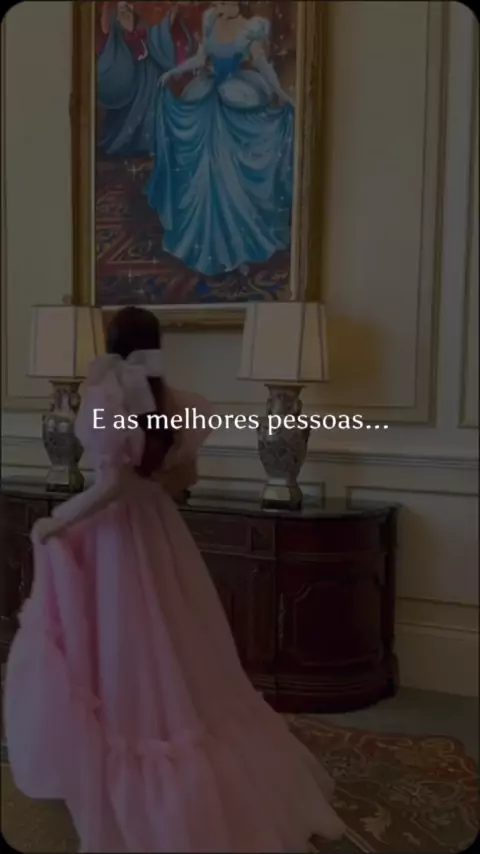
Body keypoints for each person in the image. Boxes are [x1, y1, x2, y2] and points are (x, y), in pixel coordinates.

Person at [4, 307, 345, 853]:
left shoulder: (107, 398)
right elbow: (184, 478)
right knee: (175, 645)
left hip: (114, 539)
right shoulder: (177, 402)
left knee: (123, 650)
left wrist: (58, 520)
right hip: (161, 534)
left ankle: (135, 787)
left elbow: (111, 486)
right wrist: (150, 482)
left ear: (112, 343)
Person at [146, 0, 294, 277]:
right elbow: (200, 59)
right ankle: (204, 240)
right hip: (207, 94)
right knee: (204, 170)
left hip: (236, 96)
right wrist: (173, 72)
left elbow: (262, 65)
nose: (218, 3)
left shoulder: (251, 27)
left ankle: (240, 247)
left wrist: (282, 94)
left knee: (229, 171)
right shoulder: (211, 19)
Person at [97, 2, 198, 155]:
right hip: (130, 82)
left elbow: (159, 39)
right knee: (125, 121)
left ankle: (155, 144)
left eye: (128, 11)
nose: (127, 15)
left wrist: (171, 16)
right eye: (123, 12)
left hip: (151, 81)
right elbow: (106, 32)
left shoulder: (145, 32)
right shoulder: (117, 34)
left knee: (157, 109)